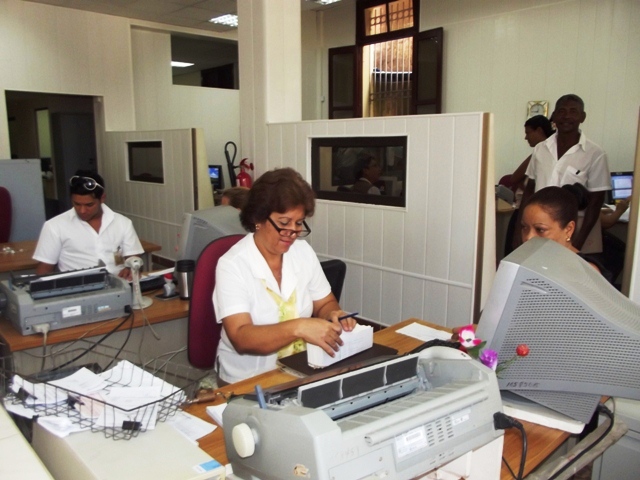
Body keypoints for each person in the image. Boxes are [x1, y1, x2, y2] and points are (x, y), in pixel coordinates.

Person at [212, 167, 357, 384]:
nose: (292, 232)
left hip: (299, 371)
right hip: (247, 382)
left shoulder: (302, 252)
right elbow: (241, 337)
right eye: (283, 223)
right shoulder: (232, 265)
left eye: (298, 223)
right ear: (258, 218)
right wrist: (299, 327)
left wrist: (334, 314)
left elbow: (324, 302)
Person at [518, 94, 611, 254]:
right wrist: (519, 230)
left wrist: (577, 243)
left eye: (573, 111)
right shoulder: (541, 149)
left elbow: (596, 202)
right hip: (539, 228)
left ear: (582, 117)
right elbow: (529, 191)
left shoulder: (595, 154)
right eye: (561, 111)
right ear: (554, 116)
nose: (567, 116)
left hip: (575, 229)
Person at [33, 170, 144, 280]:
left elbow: (134, 258)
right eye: (77, 204)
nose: (82, 211)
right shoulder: (55, 226)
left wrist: (132, 269)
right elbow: (45, 270)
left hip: (120, 286)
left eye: (89, 205)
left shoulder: (123, 223)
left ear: (102, 199)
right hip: (77, 290)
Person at [505, 115, 555, 255]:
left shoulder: (542, 150)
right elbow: (517, 179)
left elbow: (515, 177)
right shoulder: (539, 151)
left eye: (528, 133)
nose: (526, 138)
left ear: (539, 131)